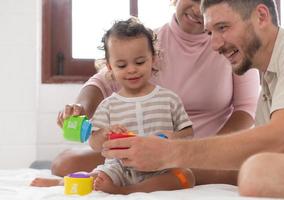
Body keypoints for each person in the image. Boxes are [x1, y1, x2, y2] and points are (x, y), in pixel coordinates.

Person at [51, 0, 260, 185]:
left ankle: (156, 177)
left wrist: (205, 151)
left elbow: (246, 109)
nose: (197, 9)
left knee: (246, 170)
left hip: (205, 150)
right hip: (139, 150)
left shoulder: (232, 47)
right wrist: (81, 109)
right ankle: (151, 174)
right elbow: (101, 82)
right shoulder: (149, 43)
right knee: (64, 163)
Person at [101, 0, 284, 198]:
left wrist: (171, 152)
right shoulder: (269, 73)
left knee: (257, 171)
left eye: (223, 27)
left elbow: (277, 138)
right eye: (210, 33)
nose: (214, 45)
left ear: (261, 16)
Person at [32, 18, 195, 194]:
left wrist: (172, 136)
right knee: (98, 175)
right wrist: (104, 134)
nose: (131, 69)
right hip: (119, 167)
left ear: (153, 60)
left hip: (160, 165)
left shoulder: (169, 99)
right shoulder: (108, 105)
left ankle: (126, 190)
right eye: (122, 65)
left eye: (139, 62)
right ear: (110, 67)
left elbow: (188, 132)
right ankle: (62, 183)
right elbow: (95, 144)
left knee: (186, 176)